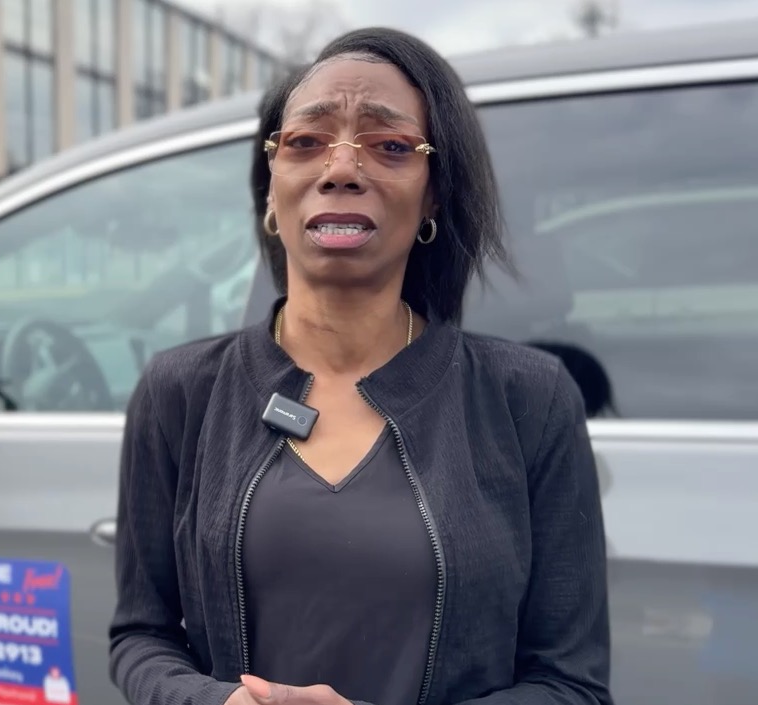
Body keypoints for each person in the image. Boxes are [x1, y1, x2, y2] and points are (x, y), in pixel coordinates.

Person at [107, 26, 611, 705]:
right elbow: (141, 635)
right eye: (305, 142)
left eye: (391, 146)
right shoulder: (179, 391)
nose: (341, 169)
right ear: (271, 190)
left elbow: (570, 683)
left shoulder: (531, 398)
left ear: (434, 195)